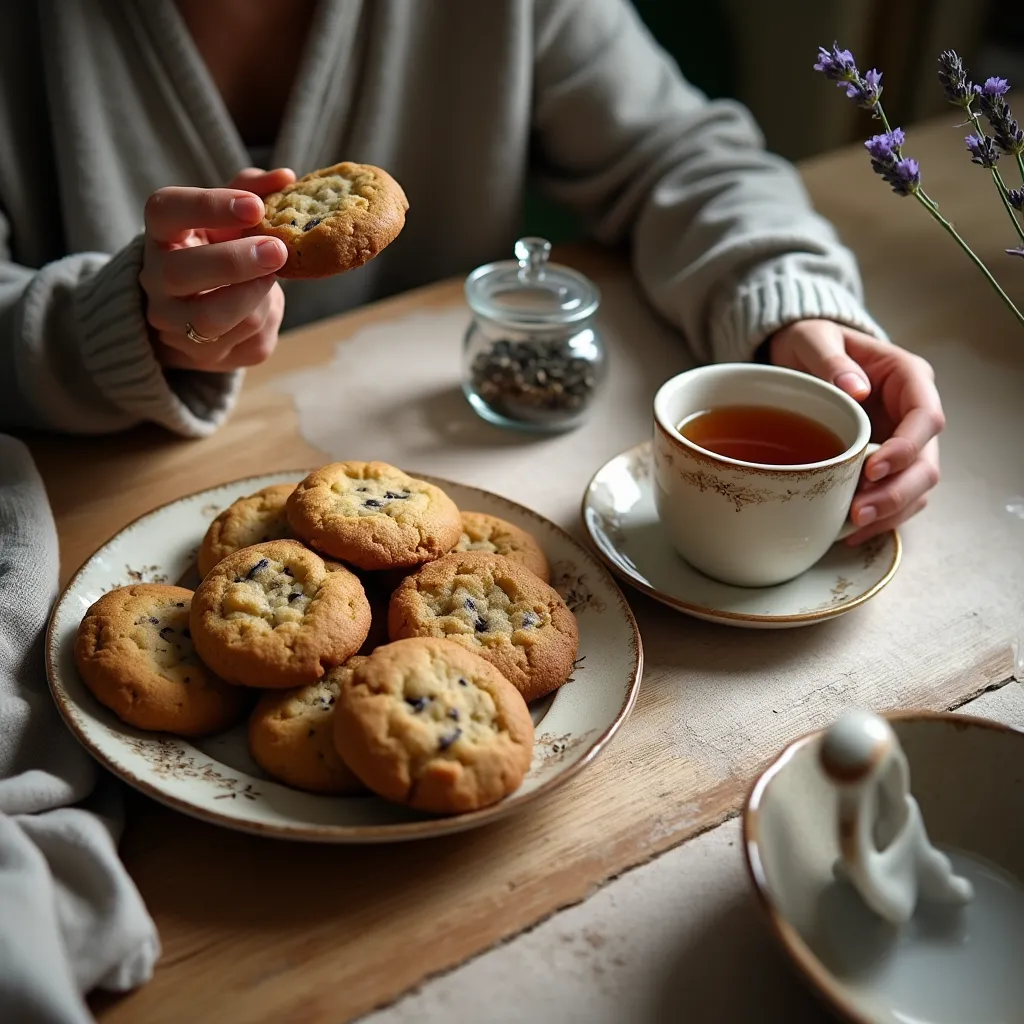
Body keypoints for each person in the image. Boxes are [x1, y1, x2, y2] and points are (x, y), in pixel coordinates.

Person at [0, 1, 944, 1020]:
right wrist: (110, 321)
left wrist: (791, 306)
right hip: (90, 475)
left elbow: (684, 151)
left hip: (457, 443)